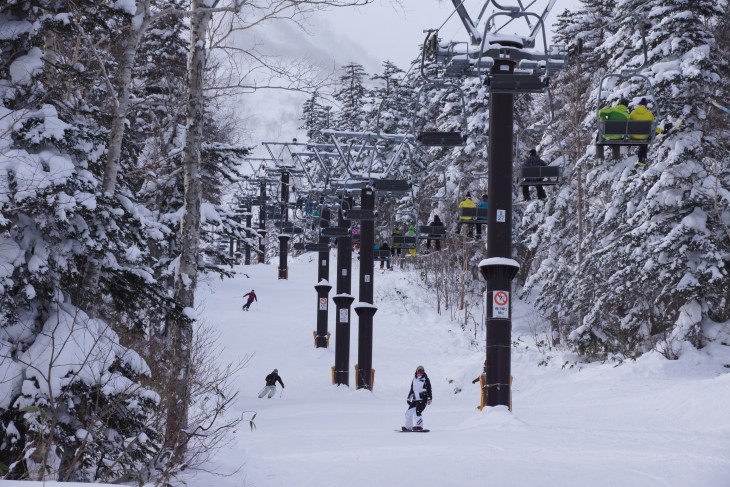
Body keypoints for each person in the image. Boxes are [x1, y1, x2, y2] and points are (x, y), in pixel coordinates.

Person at [403, 365, 432, 431]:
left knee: (417, 412)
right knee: (408, 413)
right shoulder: (414, 379)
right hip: (415, 400)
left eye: (422, 371)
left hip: (422, 399)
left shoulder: (426, 379)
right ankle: (408, 427)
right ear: (416, 371)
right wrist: (408, 398)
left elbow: (429, 389)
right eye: (419, 371)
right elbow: (412, 390)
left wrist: (429, 398)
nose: (420, 372)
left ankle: (419, 426)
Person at [629, 97, 654, 166]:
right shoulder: (649, 114)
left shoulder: (633, 113)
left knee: (643, 140)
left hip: (633, 136)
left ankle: (639, 158)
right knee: (644, 142)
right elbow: (653, 127)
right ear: (646, 106)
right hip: (644, 136)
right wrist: (661, 131)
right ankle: (642, 158)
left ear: (639, 105)